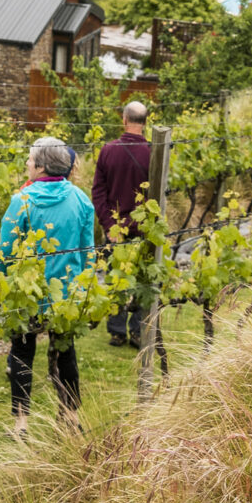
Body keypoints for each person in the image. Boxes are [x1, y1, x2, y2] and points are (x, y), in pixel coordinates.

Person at [0, 136, 95, 423]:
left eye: (30, 158)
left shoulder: (22, 201)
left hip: (27, 294)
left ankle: (21, 422)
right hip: (66, 294)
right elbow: (88, 252)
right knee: (65, 351)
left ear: (40, 167)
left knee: (22, 353)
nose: (27, 162)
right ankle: (70, 415)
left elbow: (5, 251)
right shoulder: (81, 199)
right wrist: (83, 288)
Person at [91, 101, 153, 348]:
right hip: (143, 228)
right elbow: (157, 196)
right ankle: (137, 330)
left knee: (116, 278)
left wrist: (109, 226)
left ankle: (117, 331)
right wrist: (140, 223)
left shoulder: (108, 150)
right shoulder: (153, 152)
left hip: (115, 229)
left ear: (124, 120)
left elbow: (98, 193)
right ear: (145, 122)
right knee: (141, 279)